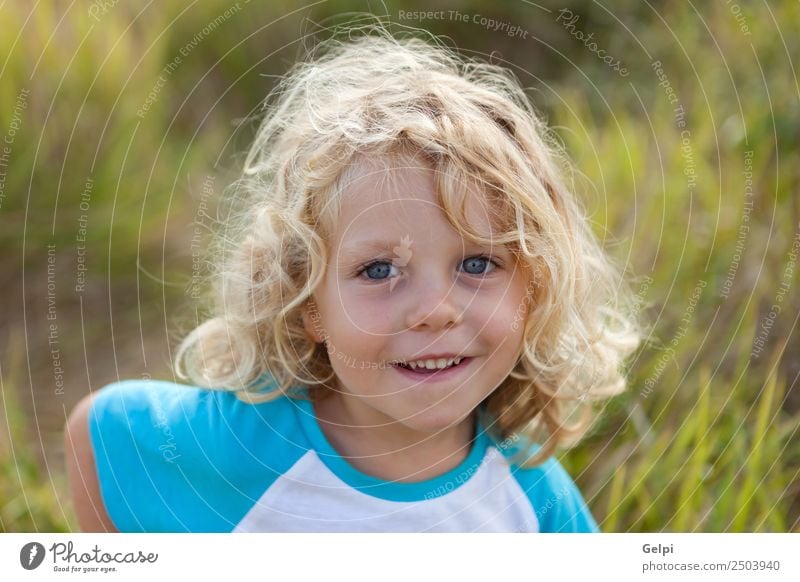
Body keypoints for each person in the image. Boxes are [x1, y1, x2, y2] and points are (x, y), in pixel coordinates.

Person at [65, 27, 641, 533]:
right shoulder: (236, 447)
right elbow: (101, 434)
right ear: (307, 305)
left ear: (533, 290)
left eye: (477, 264)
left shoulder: (531, 502)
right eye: (379, 270)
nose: (434, 311)